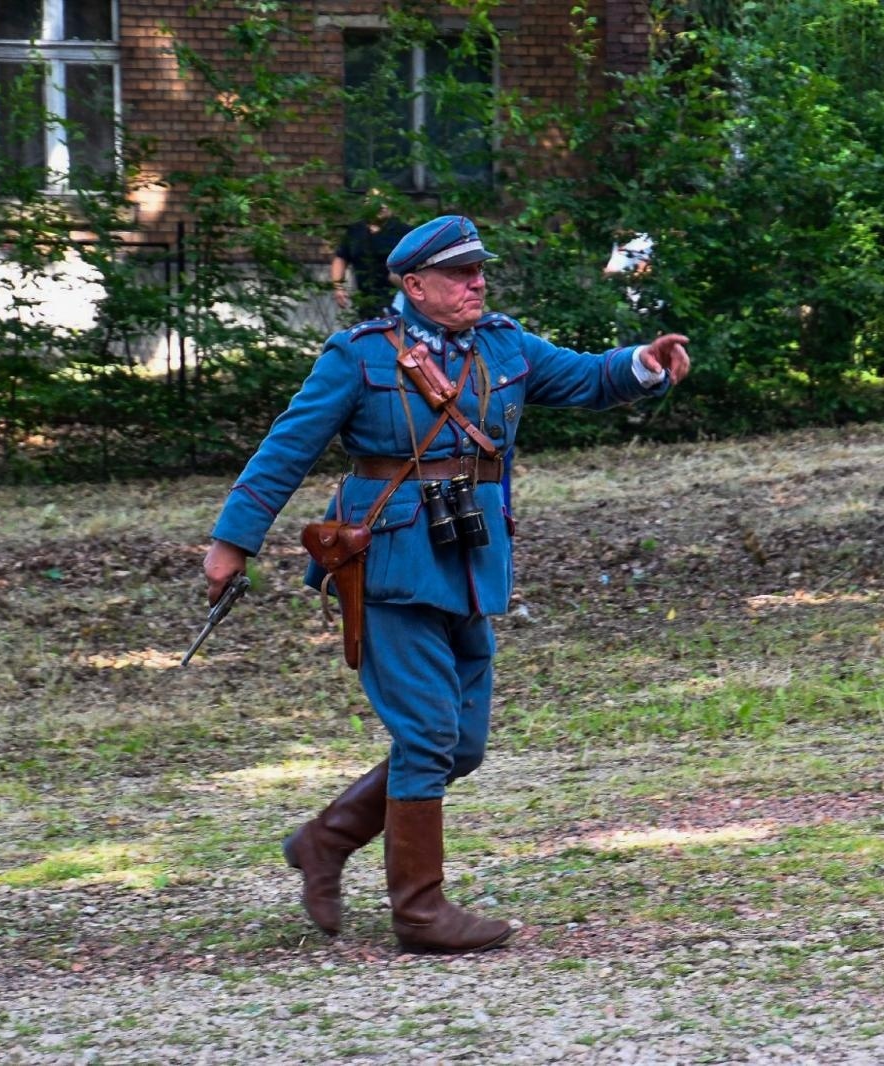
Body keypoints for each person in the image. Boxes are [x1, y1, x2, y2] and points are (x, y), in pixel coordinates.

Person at [202, 215, 691, 954]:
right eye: (460, 273)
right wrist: (231, 543)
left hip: (470, 561)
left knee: (461, 744)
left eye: (479, 271)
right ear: (414, 284)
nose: (476, 283)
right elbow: (286, 449)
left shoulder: (503, 344)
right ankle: (420, 911)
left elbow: (589, 378)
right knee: (428, 734)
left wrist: (644, 364)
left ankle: (324, 842)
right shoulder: (360, 355)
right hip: (390, 565)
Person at [331, 189, 411, 321]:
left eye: (385, 201)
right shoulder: (355, 231)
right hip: (366, 302)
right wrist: (338, 287)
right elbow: (341, 257)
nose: (381, 206)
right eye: (375, 201)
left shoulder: (404, 232)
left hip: (398, 302)